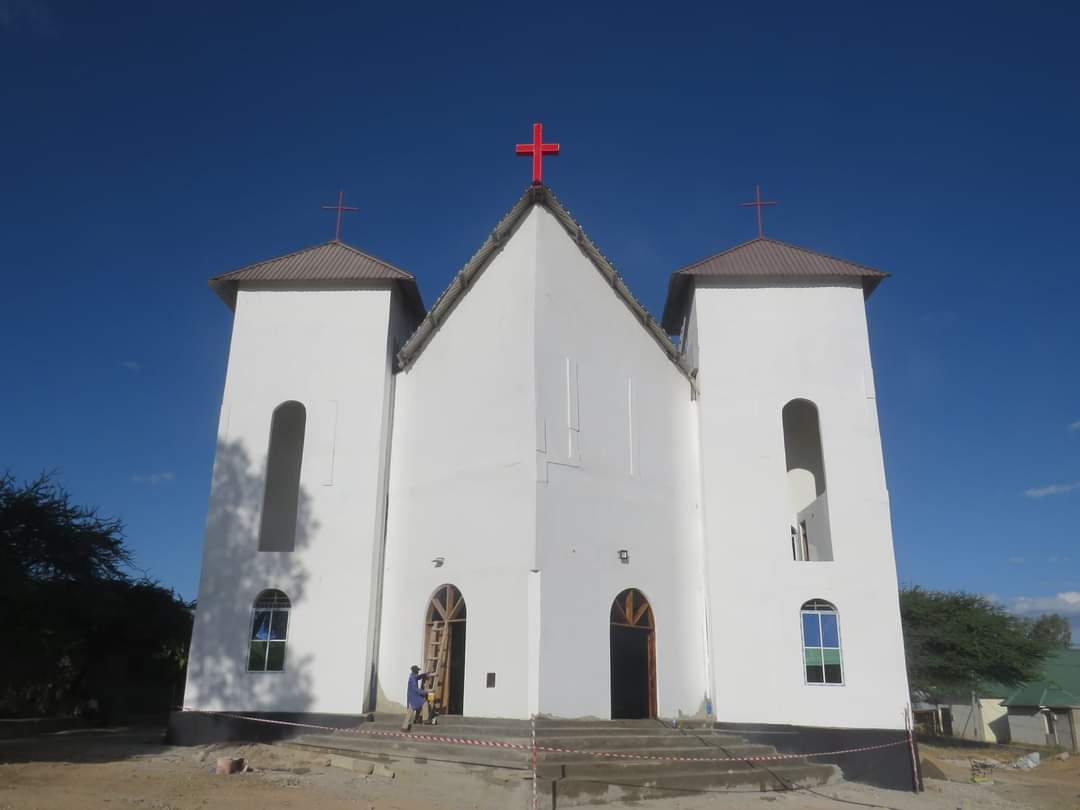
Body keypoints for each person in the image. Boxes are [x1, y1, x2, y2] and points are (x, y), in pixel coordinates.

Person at [401, 665, 432, 731]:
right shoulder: (412, 678)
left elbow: (418, 677)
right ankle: (425, 719)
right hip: (414, 696)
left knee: (410, 711)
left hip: (412, 696)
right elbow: (415, 689)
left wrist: (425, 674)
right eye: (417, 670)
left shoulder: (413, 676)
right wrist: (424, 692)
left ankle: (404, 727)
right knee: (425, 703)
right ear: (415, 671)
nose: (418, 671)